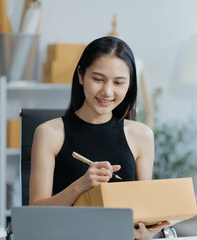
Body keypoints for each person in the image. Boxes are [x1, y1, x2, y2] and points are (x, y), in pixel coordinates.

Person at [29, 36, 169, 239]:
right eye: (98, 79)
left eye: (119, 82)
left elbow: (141, 214)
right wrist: (81, 185)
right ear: (80, 75)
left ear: (129, 85)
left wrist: (146, 233)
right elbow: (35, 213)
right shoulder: (49, 133)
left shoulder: (142, 136)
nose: (107, 91)